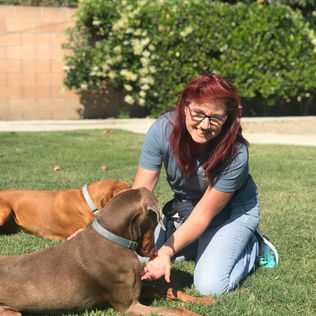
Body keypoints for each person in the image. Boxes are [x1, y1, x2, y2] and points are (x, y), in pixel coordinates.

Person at [132, 72, 278, 296]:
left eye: (216, 118)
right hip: (187, 207)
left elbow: (203, 215)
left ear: (227, 118)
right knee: (140, 254)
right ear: (185, 106)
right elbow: (139, 195)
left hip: (233, 212)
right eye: (198, 113)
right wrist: (101, 232)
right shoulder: (161, 130)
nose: (204, 125)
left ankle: (253, 245)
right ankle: (200, 245)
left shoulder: (236, 152)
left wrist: (166, 253)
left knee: (210, 285)